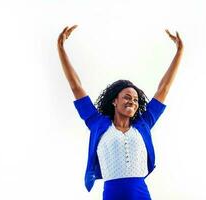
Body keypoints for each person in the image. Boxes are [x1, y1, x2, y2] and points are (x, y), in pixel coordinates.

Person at [57, 24, 183, 200]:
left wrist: (179, 52)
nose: (132, 100)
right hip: (112, 193)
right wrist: (61, 48)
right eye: (127, 97)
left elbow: (164, 88)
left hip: (140, 192)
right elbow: (75, 86)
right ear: (114, 101)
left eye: (136, 99)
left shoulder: (143, 124)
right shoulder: (97, 123)